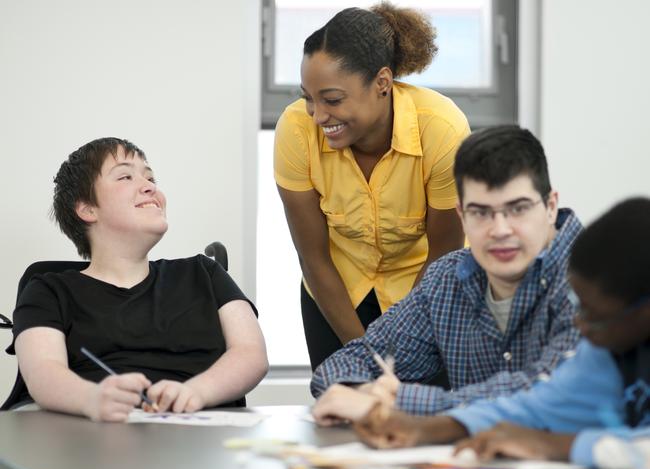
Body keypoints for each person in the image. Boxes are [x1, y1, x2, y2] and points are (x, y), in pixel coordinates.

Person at [348, 197, 650, 469]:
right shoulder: (607, 349)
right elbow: (540, 405)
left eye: (595, 316)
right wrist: (435, 427)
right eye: (578, 307)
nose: (580, 325)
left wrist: (555, 445)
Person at [311, 125, 582, 420]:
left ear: (551, 206)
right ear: (462, 216)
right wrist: (363, 394)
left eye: (517, 209)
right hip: (477, 462)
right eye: (480, 213)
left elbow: (549, 394)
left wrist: (394, 402)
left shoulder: (594, 277)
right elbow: (351, 363)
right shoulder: (448, 280)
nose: (500, 230)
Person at [10, 137, 269, 421]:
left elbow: (251, 354)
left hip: (200, 435)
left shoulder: (204, 273)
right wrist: (92, 399)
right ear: (87, 209)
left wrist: (197, 392)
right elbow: (43, 372)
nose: (150, 186)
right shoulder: (48, 290)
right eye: (125, 176)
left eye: (150, 177)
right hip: (93, 438)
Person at [274, 2, 469, 370]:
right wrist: (365, 354)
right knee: (342, 412)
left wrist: (403, 348)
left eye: (331, 99)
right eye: (308, 98)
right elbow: (314, 258)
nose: (317, 115)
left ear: (382, 83)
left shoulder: (442, 130)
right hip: (336, 291)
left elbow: (443, 256)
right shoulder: (296, 130)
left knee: (418, 414)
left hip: (425, 288)